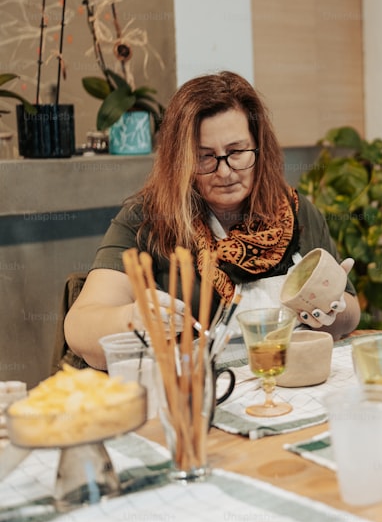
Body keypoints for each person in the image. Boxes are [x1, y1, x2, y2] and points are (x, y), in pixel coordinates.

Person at [65, 71, 360, 370]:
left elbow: (349, 316)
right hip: (198, 400)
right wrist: (132, 318)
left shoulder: (294, 211)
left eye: (237, 152)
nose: (225, 171)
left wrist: (331, 307)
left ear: (260, 146)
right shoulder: (147, 219)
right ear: (181, 161)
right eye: (205, 157)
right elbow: (80, 325)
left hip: (290, 386)